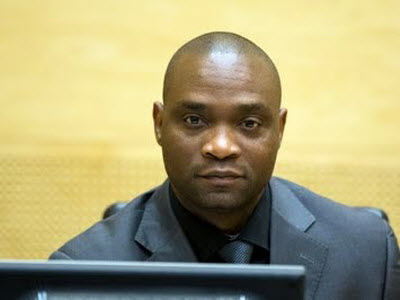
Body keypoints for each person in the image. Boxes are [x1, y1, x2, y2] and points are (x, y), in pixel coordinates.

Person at [50, 32, 400, 299]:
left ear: (279, 129)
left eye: (248, 124)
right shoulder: (81, 274)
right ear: (159, 123)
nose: (220, 147)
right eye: (193, 120)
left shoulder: (368, 255)